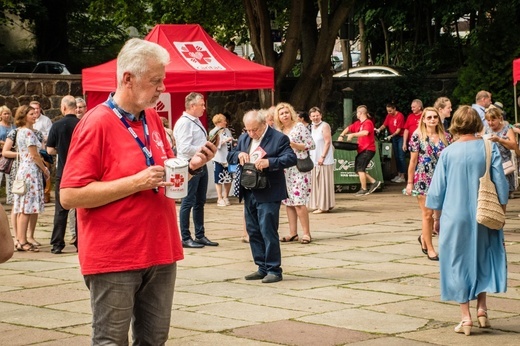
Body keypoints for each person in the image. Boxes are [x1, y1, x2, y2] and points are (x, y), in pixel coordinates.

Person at [59, 38, 216, 345]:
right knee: (111, 340)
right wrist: (136, 182)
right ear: (127, 79)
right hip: (115, 254)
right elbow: (69, 195)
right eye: (155, 81)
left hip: (159, 248)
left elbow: (160, 173)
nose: (162, 89)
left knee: (155, 339)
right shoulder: (96, 123)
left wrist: (192, 166)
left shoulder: (152, 118)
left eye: (163, 81)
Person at [426, 105, 508, 336]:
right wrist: (501, 210)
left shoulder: (447, 153)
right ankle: (482, 310)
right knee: (483, 257)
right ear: (477, 124)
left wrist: (436, 218)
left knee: (457, 262)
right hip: (484, 212)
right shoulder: (488, 147)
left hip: (455, 214)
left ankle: (466, 317)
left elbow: (437, 191)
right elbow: (501, 183)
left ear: (456, 125)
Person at [227, 110, 297, 283]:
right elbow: (230, 156)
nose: (252, 133)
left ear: (264, 123)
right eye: (248, 130)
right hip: (249, 189)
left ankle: (274, 269)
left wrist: (270, 162)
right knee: (253, 231)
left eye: (255, 129)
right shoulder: (244, 138)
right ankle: (261, 267)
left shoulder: (278, 138)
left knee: (268, 229)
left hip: (269, 190)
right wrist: (238, 155)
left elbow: (290, 158)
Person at [405, 107, 452, 261]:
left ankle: (424, 237)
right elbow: (412, 161)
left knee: (443, 213)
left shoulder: (446, 136)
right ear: (423, 119)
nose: (432, 120)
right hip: (423, 178)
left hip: (442, 178)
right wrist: (410, 182)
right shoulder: (417, 136)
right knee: (427, 214)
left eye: (435, 117)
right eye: (429, 117)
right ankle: (430, 248)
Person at [174, 92, 219, 248]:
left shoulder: (195, 121)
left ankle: (200, 234)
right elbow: (184, 148)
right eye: (202, 104)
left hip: (201, 163)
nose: (204, 108)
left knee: (200, 201)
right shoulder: (184, 122)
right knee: (188, 201)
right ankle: (185, 237)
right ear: (192, 106)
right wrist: (204, 148)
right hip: (189, 164)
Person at [275, 103, 315, 244]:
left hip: (299, 168)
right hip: (285, 169)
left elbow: (312, 144)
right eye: (282, 113)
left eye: (287, 112)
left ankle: (306, 233)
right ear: (278, 117)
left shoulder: (299, 127)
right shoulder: (279, 130)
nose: (285, 115)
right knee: (288, 202)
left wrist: (294, 145)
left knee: (299, 202)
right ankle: (293, 233)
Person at [12, 105, 50, 252]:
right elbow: (34, 155)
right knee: (27, 208)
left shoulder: (20, 131)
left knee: (23, 208)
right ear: (24, 116)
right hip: (30, 172)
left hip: (24, 170)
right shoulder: (28, 133)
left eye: (35, 113)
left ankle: (21, 239)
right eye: (31, 114)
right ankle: (22, 241)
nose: (35, 116)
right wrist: (45, 169)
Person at [47, 95, 80, 254]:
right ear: (75, 107)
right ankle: (80, 242)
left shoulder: (57, 125)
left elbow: (49, 150)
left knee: (61, 210)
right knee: (81, 209)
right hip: (81, 171)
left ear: (64, 107)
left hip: (64, 171)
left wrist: (61, 149)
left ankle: (57, 244)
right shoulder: (82, 124)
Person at [338, 105, 381, 196]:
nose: (356, 114)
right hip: (362, 150)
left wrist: (352, 135)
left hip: (368, 149)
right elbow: (348, 128)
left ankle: (364, 189)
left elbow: (365, 133)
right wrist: (341, 135)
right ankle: (374, 182)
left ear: (360, 113)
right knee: (358, 170)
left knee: (360, 169)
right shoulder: (358, 123)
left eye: (357, 112)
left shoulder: (368, 123)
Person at [485, 107, 518, 196]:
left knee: (504, 193)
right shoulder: (486, 130)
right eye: (488, 120)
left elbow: (514, 145)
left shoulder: (507, 129)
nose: (490, 123)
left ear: (499, 118)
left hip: (505, 166)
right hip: (491, 165)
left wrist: (499, 140)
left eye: (493, 120)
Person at [308, 106, 335, 213]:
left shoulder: (325, 126)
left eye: (317, 115)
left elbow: (327, 141)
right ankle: (318, 204)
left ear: (321, 115)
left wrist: (323, 156)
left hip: (323, 159)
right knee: (316, 183)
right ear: (310, 117)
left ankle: (323, 206)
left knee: (323, 183)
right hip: (313, 159)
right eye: (313, 116)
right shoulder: (311, 127)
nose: (315, 118)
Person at [376, 103, 406, 183]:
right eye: (387, 111)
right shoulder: (389, 116)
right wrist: (379, 129)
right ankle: (399, 174)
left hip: (400, 137)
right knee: (396, 156)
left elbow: (399, 130)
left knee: (401, 156)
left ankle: (403, 175)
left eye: (390, 111)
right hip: (394, 137)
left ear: (394, 108)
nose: (389, 113)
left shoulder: (400, 116)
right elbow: (385, 124)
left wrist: (391, 136)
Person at [209, 113, 234, 207]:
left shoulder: (227, 130)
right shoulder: (213, 132)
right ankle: (219, 198)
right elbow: (214, 145)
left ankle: (226, 196)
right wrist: (224, 141)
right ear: (219, 122)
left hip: (229, 158)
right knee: (218, 178)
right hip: (219, 158)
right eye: (224, 120)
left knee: (229, 177)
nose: (226, 122)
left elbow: (231, 141)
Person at [30, 100, 52, 203]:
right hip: (32, 150)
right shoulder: (29, 120)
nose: (36, 111)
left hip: (43, 150)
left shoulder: (46, 120)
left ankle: (46, 194)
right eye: (33, 109)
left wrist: (40, 137)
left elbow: (50, 135)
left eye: (37, 108)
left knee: (46, 171)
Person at [0, 105, 15, 188]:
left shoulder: (13, 126)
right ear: (0, 115)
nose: (7, 115)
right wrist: (5, 143)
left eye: (8, 113)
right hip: (0, 152)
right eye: (5, 114)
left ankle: (10, 198)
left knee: (10, 176)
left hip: (10, 153)